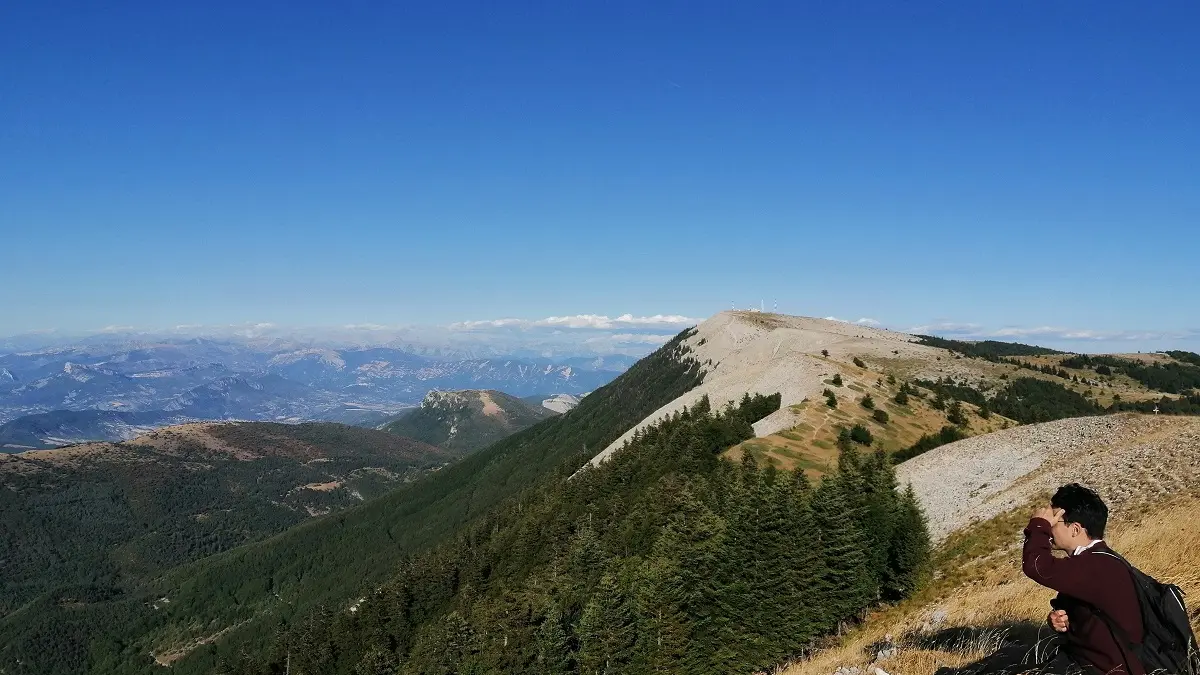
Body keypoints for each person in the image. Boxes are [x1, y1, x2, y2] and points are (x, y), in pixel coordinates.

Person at [1020, 483, 1144, 675]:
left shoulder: (1096, 566)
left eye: (1054, 522)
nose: (1050, 528)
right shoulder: (1098, 560)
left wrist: (1038, 526)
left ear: (1075, 529)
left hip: (1105, 669)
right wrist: (1061, 620)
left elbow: (1037, 566)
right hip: (1093, 663)